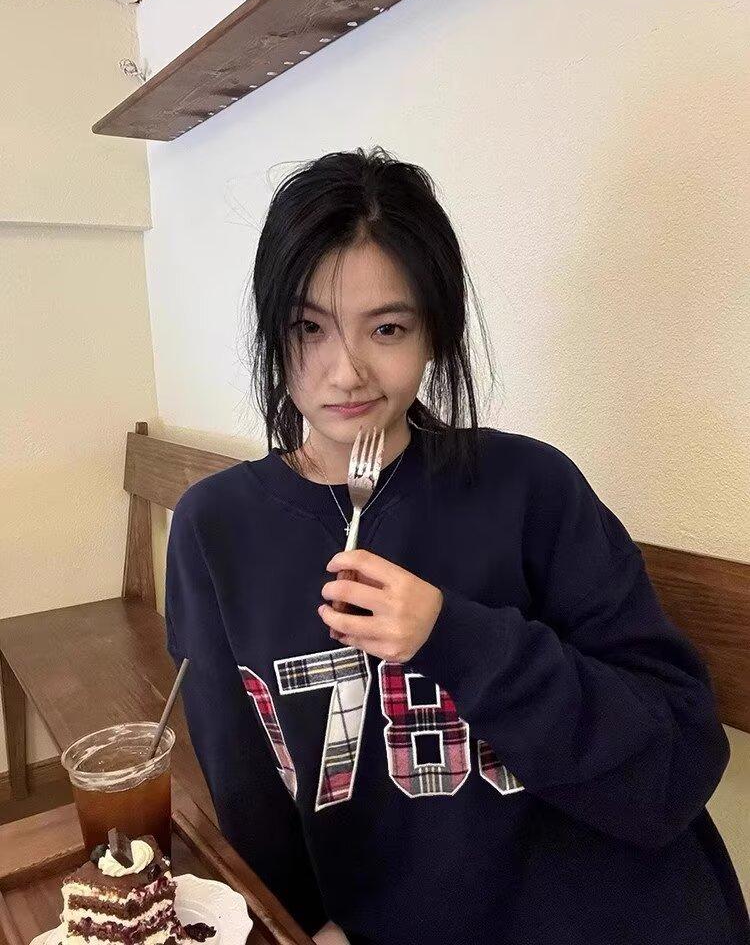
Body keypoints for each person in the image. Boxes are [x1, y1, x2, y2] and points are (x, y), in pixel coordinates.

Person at [165, 146, 749, 945]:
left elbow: (675, 765)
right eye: (308, 328)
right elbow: (247, 789)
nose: (346, 372)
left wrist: (454, 636)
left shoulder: (530, 487)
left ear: (433, 332)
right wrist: (307, 922)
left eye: (387, 328)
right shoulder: (215, 529)